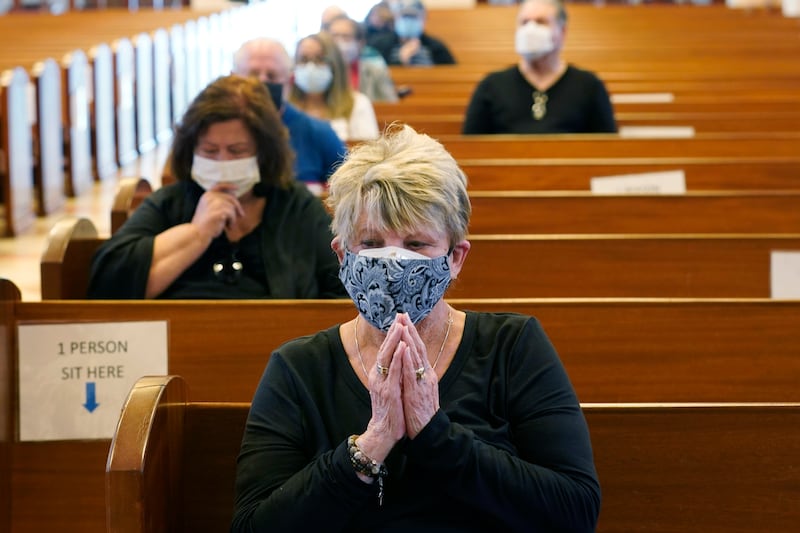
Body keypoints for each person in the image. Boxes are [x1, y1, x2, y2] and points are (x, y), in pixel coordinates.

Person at [231, 125, 600, 531]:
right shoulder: (298, 368)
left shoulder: (512, 347)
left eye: (416, 245)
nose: (391, 262)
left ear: (455, 257)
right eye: (370, 243)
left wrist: (434, 436)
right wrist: (370, 446)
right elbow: (253, 526)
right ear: (342, 255)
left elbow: (575, 511)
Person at [87, 75, 346, 299]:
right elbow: (108, 284)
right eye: (210, 151)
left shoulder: (296, 207)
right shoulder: (170, 203)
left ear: (264, 153)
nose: (223, 162)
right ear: (191, 151)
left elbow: (341, 292)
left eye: (237, 151)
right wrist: (197, 234)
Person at [462, 0, 617, 134]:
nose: (530, 29)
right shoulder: (491, 85)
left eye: (541, 22)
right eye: (524, 22)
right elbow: (472, 146)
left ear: (562, 31)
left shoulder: (589, 85)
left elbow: (608, 146)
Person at [232, 38, 347, 189]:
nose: (261, 81)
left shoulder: (319, 133)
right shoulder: (214, 133)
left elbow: (348, 194)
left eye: (272, 75)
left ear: (290, 80)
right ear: (233, 79)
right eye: (253, 74)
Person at [289, 32, 381, 141]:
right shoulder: (286, 106)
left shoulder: (358, 103)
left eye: (319, 59)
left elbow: (369, 153)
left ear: (335, 64)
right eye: (303, 60)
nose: (311, 67)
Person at [326, 14, 399, 103]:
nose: (339, 42)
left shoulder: (375, 71)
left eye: (346, 37)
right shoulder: (322, 72)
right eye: (334, 36)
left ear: (360, 43)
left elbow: (391, 105)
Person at [370, 0, 456, 66]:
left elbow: (450, 72)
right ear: (396, 18)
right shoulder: (380, 44)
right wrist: (401, 59)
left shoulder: (436, 47)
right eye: (405, 16)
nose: (408, 21)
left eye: (413, 17)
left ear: (423, 20)